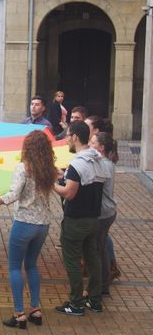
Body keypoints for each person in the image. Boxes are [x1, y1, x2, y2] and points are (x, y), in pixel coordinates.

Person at [0, 131, 58, 329]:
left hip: (24, 223)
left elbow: (12, 195)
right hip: (43, 223)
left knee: (14, 267)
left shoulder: (23, 168)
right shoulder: (49, 169)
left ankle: (19, 313)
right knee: (32, 265)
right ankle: (35, 309)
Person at [53, 121, 108, 316]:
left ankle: (76, 303)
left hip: (76, 221)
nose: (66, 139)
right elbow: (84, 184)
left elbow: (69, 193)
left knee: (73, 261)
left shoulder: (77, 163)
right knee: (93, 259)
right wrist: (64, 176)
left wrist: (52, 182)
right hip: (94, 219)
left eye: (68, 136)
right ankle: (95, 300)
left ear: (75, 137)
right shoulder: (99, 160)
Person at [88, 132, 118, 298]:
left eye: (93, 143)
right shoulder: (106, 163)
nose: (90, 145)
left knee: (97, 251)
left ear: (102, 147)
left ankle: (99, 288)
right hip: (108, 211)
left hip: (102, 213)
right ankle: (103, 285)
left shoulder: (103, 165)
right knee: (101, 250)